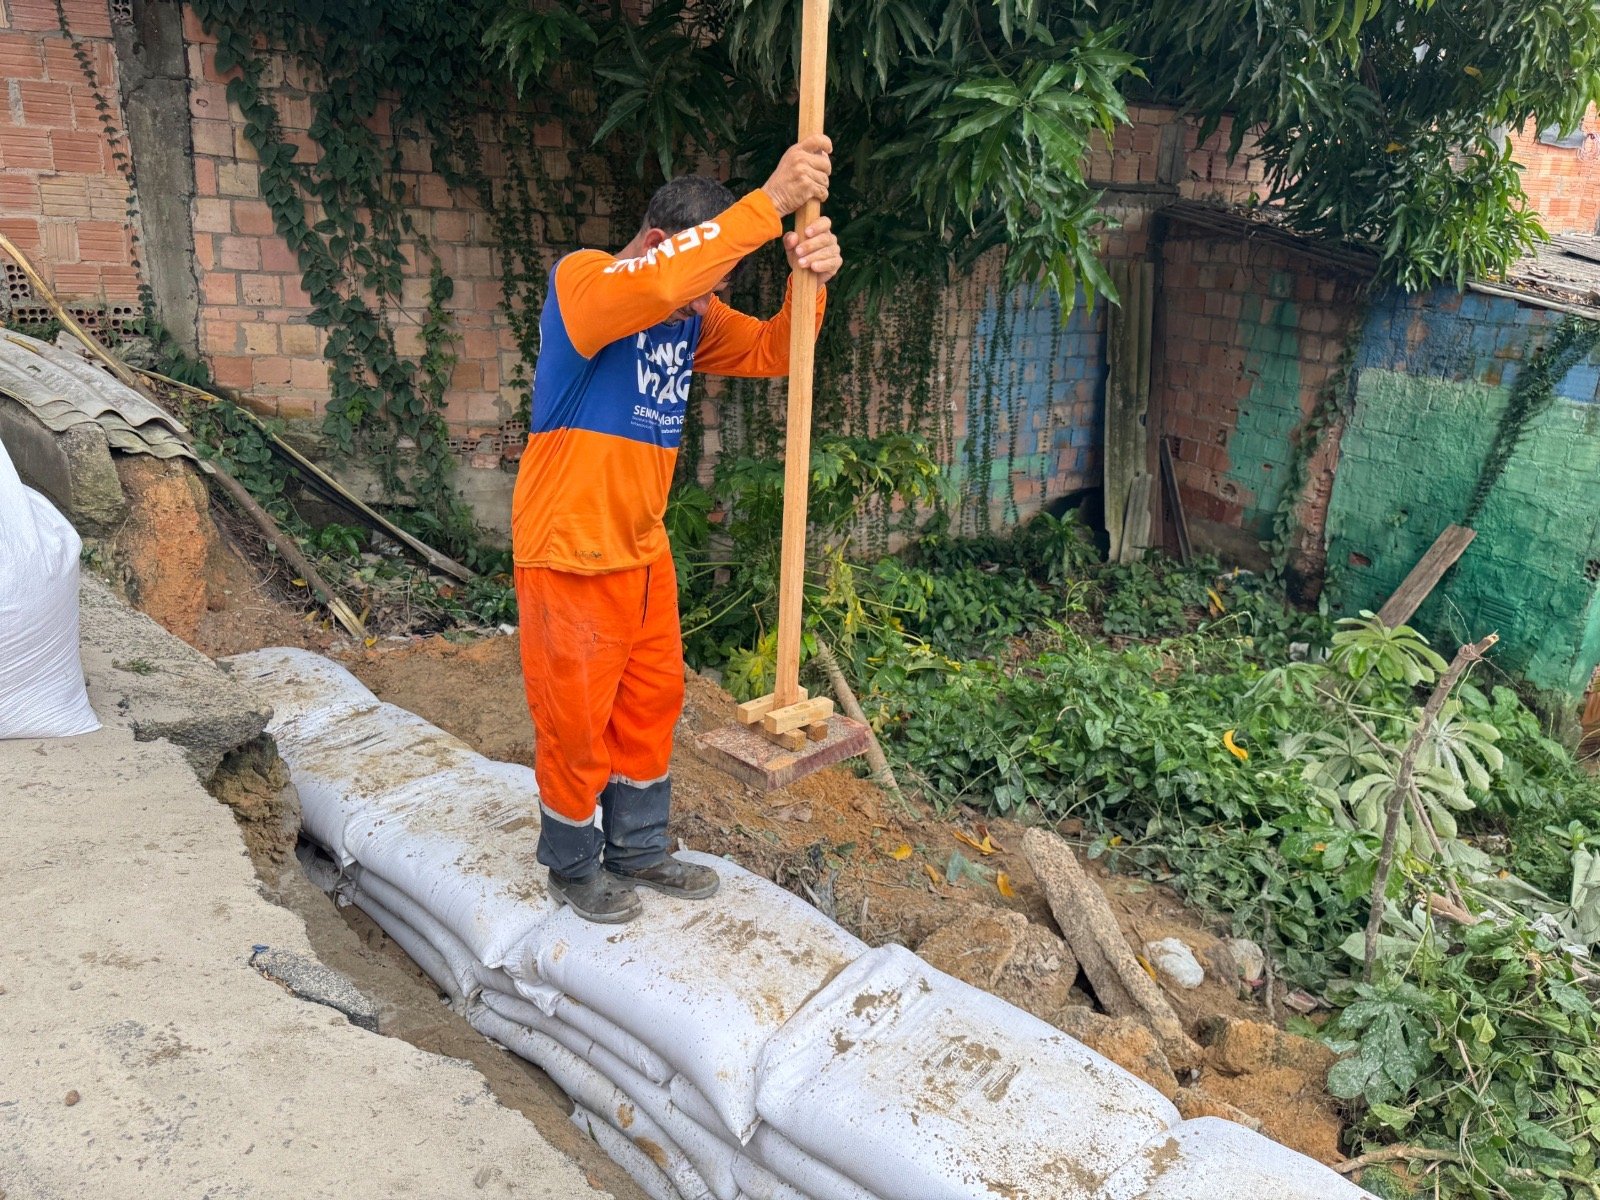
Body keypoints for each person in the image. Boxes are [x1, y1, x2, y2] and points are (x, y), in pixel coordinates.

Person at [511, 136, 842, 923]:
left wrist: (810, 281)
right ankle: (571, 864)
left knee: (650, 705)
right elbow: (664, 282)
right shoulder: (585, 283)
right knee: (574, 722)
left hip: (641, 549)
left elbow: (774, 351)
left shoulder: (686, 316)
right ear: (662, 241)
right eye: (706, 286)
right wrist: (768, 203)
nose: (704, 304)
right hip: (569, 547)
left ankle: (638, 849)